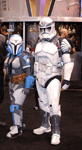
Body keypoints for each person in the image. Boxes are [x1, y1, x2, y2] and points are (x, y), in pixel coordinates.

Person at [33, 17, 74, 145]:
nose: (44, 31)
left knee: (54, 104)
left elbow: (68, 62)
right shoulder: (38, 42)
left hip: (53, 76)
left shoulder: (61, 42)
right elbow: (35, 60)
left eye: (47, 28)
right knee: (42, 103)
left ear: (52, 27)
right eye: (42, 28)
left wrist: (67, 79)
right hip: (39, 77)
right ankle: (45, 125)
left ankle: (56, 131)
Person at [4, 34, 35, 138]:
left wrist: (27, 87)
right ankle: (20, 124)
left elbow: (29, 73)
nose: (15, 46)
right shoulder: (9, 56)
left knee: (15, 105)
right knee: (17, 105)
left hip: (21, 84)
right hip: (11, 84)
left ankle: (17, 127)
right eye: (13, 44)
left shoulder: (23, 57)